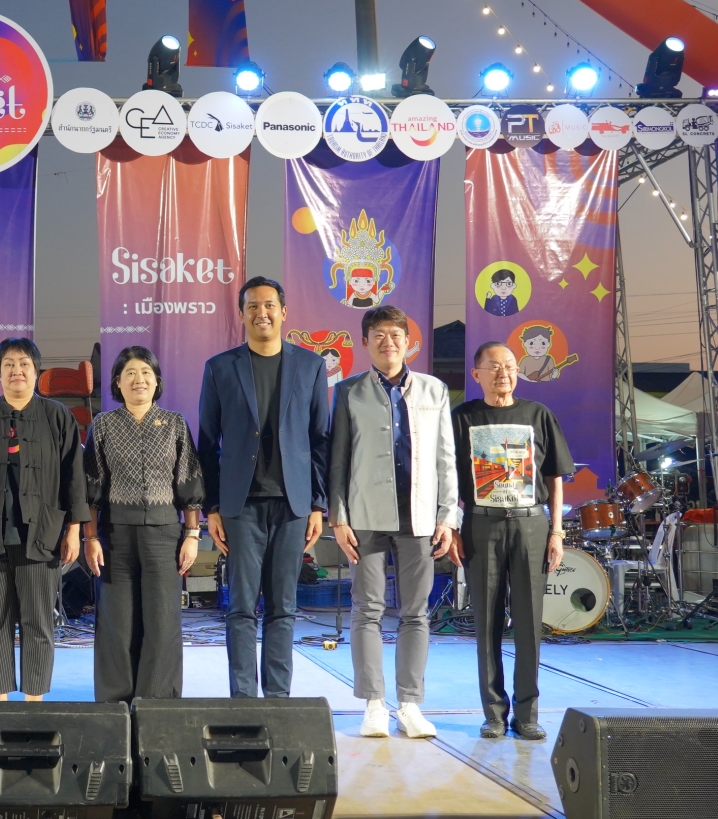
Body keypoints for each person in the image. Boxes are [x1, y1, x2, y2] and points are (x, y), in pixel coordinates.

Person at [328, 306, 459, 739]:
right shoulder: (348, 391)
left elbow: (446, 458)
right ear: (365, 342)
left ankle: (409, 705)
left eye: (395, 335)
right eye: (379, 335)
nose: (388, 342)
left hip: (420, 516)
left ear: (408, 342)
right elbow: (338, 460)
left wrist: (447, 515)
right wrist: (338, 517)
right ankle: (373, 704)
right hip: (365, 515)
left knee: (415, 612)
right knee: (367, 609)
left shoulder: (434, 390)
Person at [197, 277, 330, 698]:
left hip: (293, 504)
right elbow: (207, 442)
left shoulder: (310, 366)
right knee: (240, 607)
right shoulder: (220, 367)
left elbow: (320, 440)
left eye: (269, 305)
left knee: (282, 608)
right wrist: (212, 507)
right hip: (240, 506)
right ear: (242, 314)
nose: (262, 313)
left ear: (283, 312)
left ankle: (277, 699)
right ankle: (243, 699)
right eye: (252, 306)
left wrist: (318, 504)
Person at [0, 338, 90, 701]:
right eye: (9, 364)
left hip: (42, 533)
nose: (17, 371)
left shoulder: (57, 416)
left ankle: (34, 702)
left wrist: (74, 530)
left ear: (36, 371)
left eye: (24, 363)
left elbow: (74, 478)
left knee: (38, 623)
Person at [452, 341, 574, 740]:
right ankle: (493, 714)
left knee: (528, 622)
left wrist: (557, 532)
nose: (503, 372)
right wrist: (451, 526)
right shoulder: (462, 417)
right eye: (493, 366)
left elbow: (555, 477)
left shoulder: (538, 415)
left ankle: (526, 714)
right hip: (480, 524)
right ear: (477, 374)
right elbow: (447, 477)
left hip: (530, 525)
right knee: (486, 622)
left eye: (509, 365)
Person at [82, 346, 204, 702]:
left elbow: (189, 481)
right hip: (115, 537)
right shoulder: (103, 425)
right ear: (117, 383)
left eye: (146, 372)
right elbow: (91, 486)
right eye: (130, 373)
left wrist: (192, 534)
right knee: (116, 624)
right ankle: (115, 705)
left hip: (165, 536)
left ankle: (156, 704)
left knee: (162, 622)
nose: (139, 379)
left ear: (157, 381)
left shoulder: (175, 424)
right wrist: (91, 537)